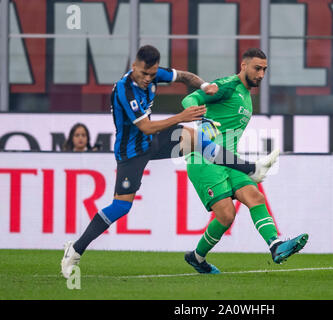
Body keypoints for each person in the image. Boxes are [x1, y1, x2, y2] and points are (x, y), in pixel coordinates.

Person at [60, 45, 278, 278]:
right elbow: (146, 127)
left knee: (198, 140)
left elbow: (185, 77)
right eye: (143, 74)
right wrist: (182, 117)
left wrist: (205, 86)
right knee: (121, 206)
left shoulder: (155, 73)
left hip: (152, 141)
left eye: (152, 74)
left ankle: (251, 169)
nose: (147, 79)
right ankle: (75, 250)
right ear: (134, 67)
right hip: (131, 152)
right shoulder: (125, 90)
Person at [182, 48, 308, 274]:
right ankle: (197, 257)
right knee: (226, 215)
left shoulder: (246, 95)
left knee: (255, 196)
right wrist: (201, 118)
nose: (261, 74)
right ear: (243, 66)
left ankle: (276, 246)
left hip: (229, 161)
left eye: (264, 70)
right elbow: (190, 98)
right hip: (205, 159)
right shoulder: (229, 85)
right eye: (256, 68)